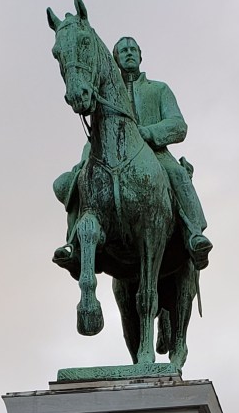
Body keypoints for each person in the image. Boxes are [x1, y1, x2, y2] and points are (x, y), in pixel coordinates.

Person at [53, 35, 212, 271]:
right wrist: (86, 157)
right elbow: (96, 133)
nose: (128, 53)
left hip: (155, 155)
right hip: (108, 157)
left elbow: (178, 126)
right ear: (115, 59)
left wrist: (147, 132)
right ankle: (74, 244)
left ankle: (194, 233)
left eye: (132, 49)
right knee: (78, 181)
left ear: (140, 55)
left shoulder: (158, 89)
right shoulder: (105, 92)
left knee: (177, 174)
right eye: (123, 50)